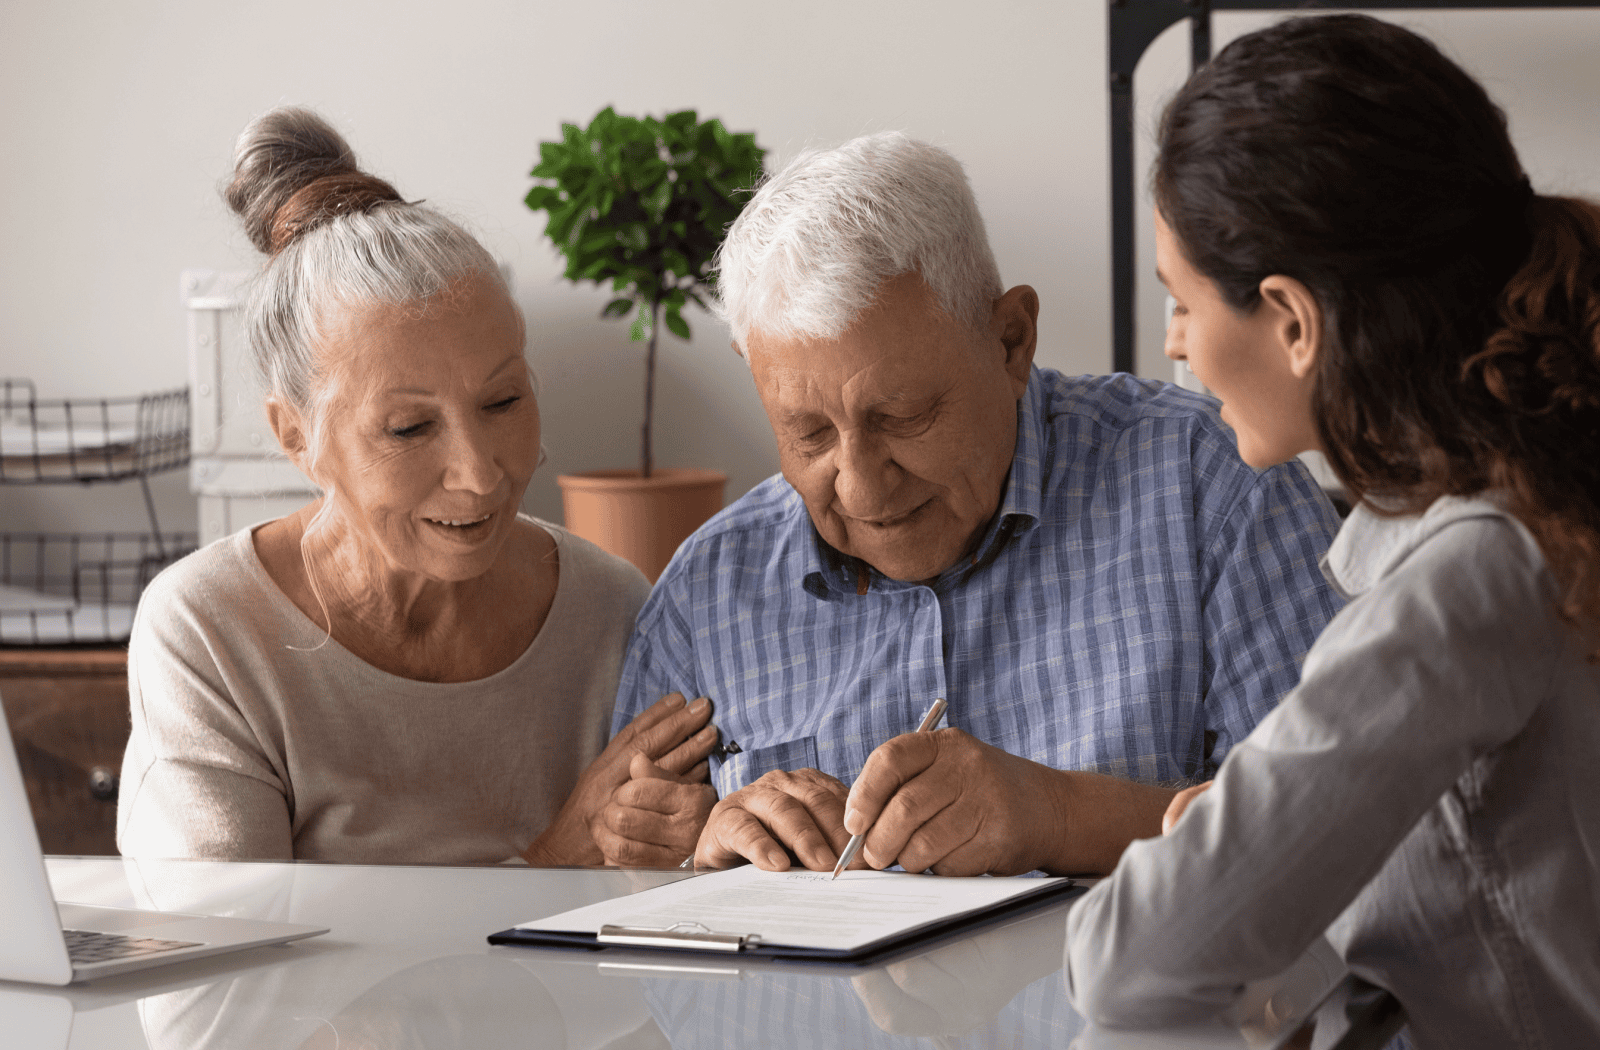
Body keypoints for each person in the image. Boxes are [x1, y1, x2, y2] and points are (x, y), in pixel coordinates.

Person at [597, 132, 1345, 874]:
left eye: (903, 417)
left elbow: (1345, 835)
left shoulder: (1212, 488)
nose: (860, 486)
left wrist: (1059, 817)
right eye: (809, 433)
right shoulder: (707, 594)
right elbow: (614, 922)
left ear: (1011, 341)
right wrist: (695, 855)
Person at [1063, 16, 1600, 1048]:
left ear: (1293, 321)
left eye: (1180, 302)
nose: (1174, 345)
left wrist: (1205, 872)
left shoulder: (1472, 576)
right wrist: (1241, 858)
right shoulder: (1538, 514)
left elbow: (1130, 963)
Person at [117, 108, 717, 866]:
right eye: (407, 428)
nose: (480, 473)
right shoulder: (211, 630)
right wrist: (552, 865)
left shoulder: (613, 610)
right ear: (295, 436)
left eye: (504, 402)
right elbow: (231, 960)